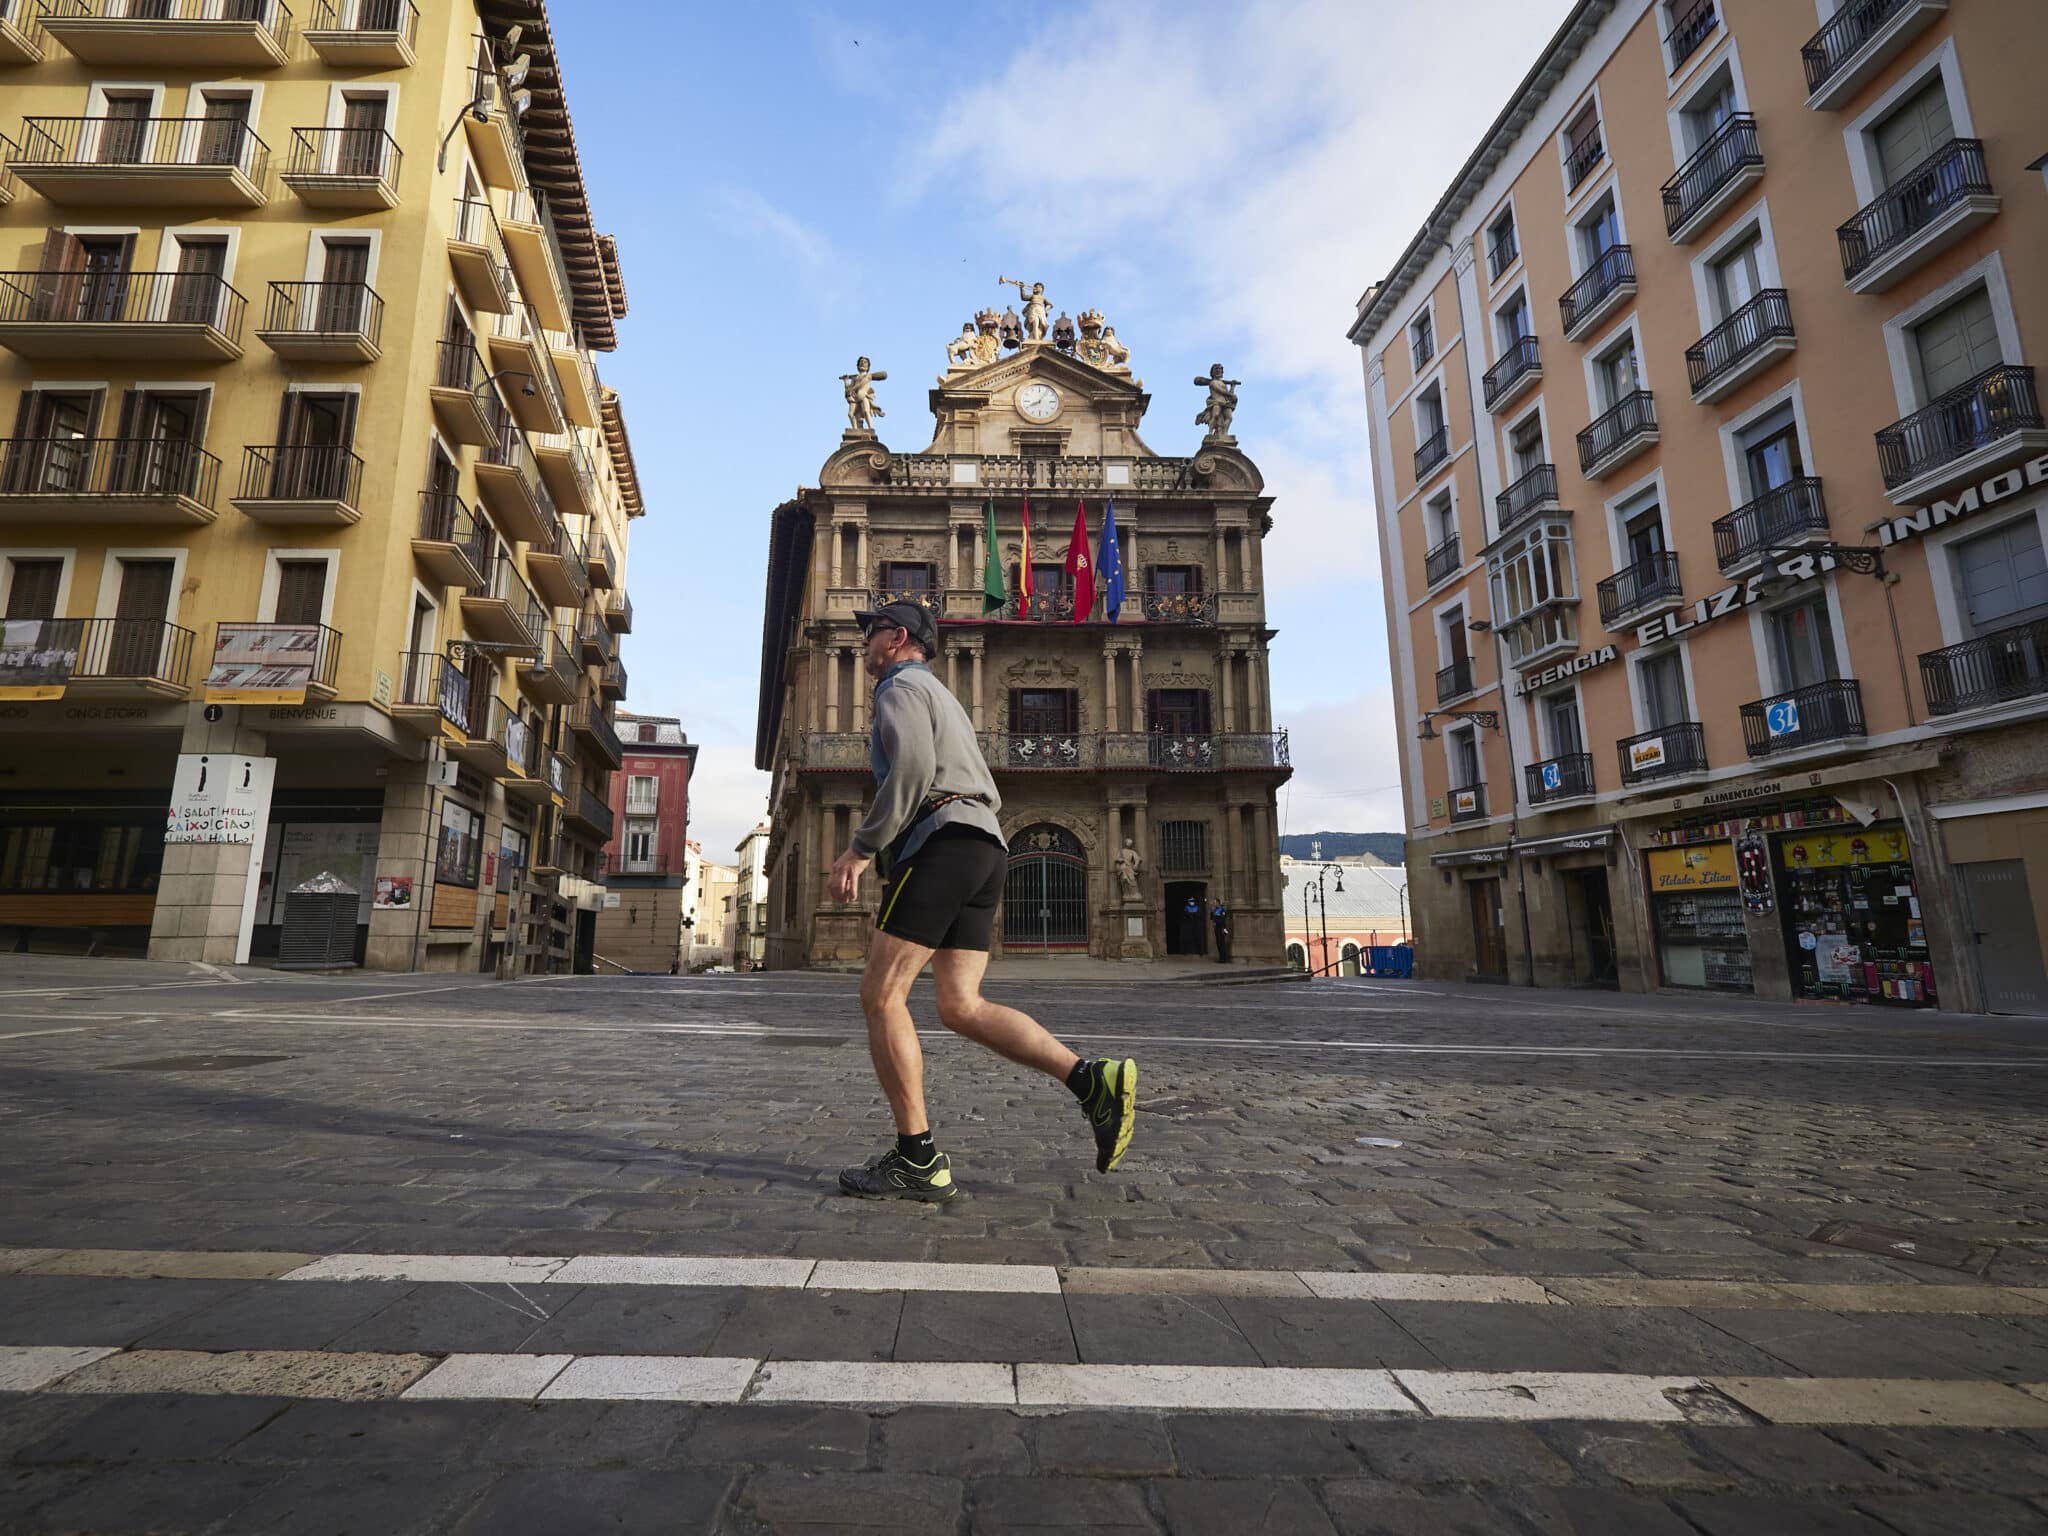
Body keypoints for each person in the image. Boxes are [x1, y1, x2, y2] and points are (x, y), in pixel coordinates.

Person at [828, 601, 1138, 1201]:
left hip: (941, 843)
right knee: (960, 1005)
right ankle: (1090, 1080)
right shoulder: (942, 695)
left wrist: (862, 848)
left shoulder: (900, 687)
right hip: (984, 845)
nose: (863, 642)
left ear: (896, 638)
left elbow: (913, 767)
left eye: (870, 632)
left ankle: (916, 1157)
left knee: (881, 993)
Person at [1210, 899, 1232, 964]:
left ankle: (1223, 959)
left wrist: (1216, 922)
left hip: (1221, 928)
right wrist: (1212, 911)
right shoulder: (1215, 910)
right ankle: (1221, 957)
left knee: (1221, 943)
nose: (1213, 904)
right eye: (1213, 902)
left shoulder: (1222, 910)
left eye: (1214, 902)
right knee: (1218, 943)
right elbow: (1211, 918)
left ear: (1218, 903)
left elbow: (1223, 919)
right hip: (1216, 928)